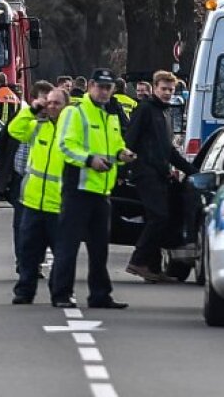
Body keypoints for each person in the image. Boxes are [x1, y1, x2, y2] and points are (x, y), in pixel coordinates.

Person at [54, 68, 135, 309]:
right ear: (90, 85)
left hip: (101, 192)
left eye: (108, 88)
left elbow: (115, 145)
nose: (104, 92)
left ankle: (100, 295)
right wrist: (90, 160)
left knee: (100, 249)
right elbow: (65, 146)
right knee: (68, 245)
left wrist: (122, 154)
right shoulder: (75, 112)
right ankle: (61, 294)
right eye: (100, 87)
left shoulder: (110, 116)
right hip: (78, 189)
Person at [124, 70, 197, 282]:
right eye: (163, 89)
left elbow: (168, 150)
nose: (167, 93)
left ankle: (153, 268)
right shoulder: (145, 110)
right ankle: (138, 261)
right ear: (154, 88)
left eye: (170, 90)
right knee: (159, 216)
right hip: (145, 173)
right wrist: (124, 168)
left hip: (159, 174)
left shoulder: (163, 113)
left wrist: (190, 170)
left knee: (157, 217)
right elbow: (130, 139)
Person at [8, 86, 69, 304]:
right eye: (49, 102)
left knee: (62, 255)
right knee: (28, 251)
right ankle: (24, 292)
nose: (51, 106)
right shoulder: (37, 126)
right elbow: (14, 130)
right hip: (32, 200)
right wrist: (31, 110)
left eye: (56, 103)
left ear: (65, 107)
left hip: (58, 202)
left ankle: (60, 294)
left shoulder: (70, 130)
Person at [0, 79, 53, 278]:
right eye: (43, 100)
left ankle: (34, 263)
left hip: (43, 184)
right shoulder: (22, 119)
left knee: (41, 227)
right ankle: (24, 263)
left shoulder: (53, 123)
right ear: (33, 100)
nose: (47, 106)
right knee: (22, 225)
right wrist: (4, 178)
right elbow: (3, 144)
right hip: (20, 180)